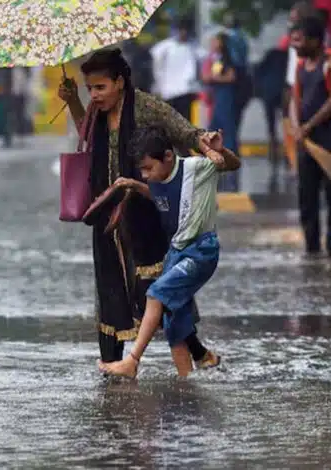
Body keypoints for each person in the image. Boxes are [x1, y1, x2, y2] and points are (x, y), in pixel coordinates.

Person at [57, 48, 222, 369]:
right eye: (89, 88)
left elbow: (182, 130)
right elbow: (88, 139)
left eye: (100, 87)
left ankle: (197, 353)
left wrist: (205, 141)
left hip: (145, 213)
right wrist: (74, 102)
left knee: (157, 289)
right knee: (110, 288)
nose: (94, 94)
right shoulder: (94, 110)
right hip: (107, 211)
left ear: (120, 82)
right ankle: (112, 365)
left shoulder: (146, 106)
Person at [99, 126, 240, 378]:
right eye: (141, 170)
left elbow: (231, 164)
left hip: (200, 251)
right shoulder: (157, 179)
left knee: (155, 294)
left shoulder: (195, 168)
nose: (146, 175)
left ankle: (132, 361)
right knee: (174, 322)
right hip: (176, 252)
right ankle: (186, 381)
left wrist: (220, 151)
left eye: (147, 168)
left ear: (167, 156)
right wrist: (133, 184)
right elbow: (159, 197)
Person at [289, 16, 331, 259]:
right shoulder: (300, 65)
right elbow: (295, 98)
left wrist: (308, 125)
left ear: (315, 40)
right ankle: (312, 249)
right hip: (307, 141)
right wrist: (296, 126)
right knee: (307, 195)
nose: (294, 45)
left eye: (299, 40)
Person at [203, 33, 239, 192]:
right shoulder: (214, 58)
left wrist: (214, 78)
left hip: (226, 97)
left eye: (215, 41)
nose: (212, 43)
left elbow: (231, 77)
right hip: (218, 97)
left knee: (227, 128)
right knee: (214, 126)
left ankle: (229, 155)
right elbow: (206, 77)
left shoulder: (226, 59)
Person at [149, 15, 203, 121]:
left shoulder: (193, 47)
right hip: (169, 91)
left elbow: (202, 61)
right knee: (170, 122)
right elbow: (156, 64)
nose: (183, 33)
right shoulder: (165, 46)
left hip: (187, 90)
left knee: (186, 121)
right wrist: (158, 84)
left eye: (186, 30)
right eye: (181, 29)